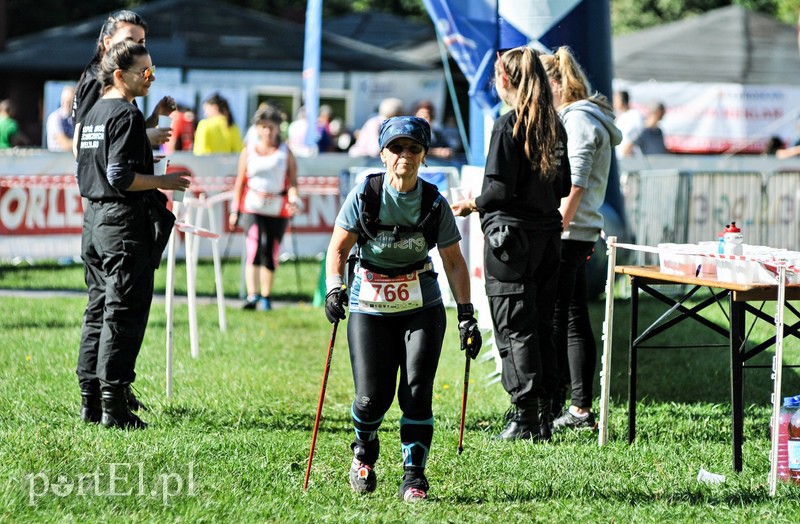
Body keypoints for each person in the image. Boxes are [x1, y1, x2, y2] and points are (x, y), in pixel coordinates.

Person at [324, 116, 480, 501]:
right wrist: (334, 289)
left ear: (425, 155)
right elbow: (339, 250)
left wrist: (466, 315)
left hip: (420, 304)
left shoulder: (434, 201)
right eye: (396, 148)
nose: (404, 156)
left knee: (416, 392)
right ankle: (364, 450)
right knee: (370, 398)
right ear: (382, 153)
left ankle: (414, 476)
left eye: (413, 148)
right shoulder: (365, 195)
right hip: (369, 304)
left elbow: (455, 262)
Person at [452, 46, 571, 441]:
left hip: (510, 241)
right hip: (548, 237)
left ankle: (524, 416)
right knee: (540, 323)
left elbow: (498, 189)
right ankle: (545, 414)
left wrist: (473, 202)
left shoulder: (509, 126)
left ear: (504, 80)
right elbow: (564, 186)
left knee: (513, 326)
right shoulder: (555, 125)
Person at [75, 41, 191, 429]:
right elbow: (120, 176)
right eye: (146, 72)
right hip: (122, 225)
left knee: (97, 311)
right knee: (122, 314)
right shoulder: (123, 113)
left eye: (153, 72)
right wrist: (165, 181)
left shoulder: (95, 112)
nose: (151, 78)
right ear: (121, 75)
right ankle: (114, 408)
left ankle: (90, 402)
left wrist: (152, 119)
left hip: (94, 223)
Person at [540, 47, 622, 432]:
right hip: (578, 229)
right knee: (572, 317)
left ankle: (567, 406)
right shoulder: (584, 117)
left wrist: (557, 225)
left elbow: (577, 182)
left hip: (570, 231)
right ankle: (576, 408)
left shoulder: (579, 121)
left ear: (556, 84)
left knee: (562, 319)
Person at [71, 10, 174, 157]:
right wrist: (145, 139)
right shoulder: (97, 80)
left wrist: (154, 118)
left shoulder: (122, 80)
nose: (136, 48)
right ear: (108, 42)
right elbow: (82, 146)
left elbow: (123, 134)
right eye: (129, 41)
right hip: (103, 179)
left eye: (141, 42)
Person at [228, 105, 299, 311]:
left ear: (278, 128)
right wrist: (235, 210)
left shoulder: (286, 152)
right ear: (257, 128)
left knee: (272, 250)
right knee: (254, 246)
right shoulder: (248, 149)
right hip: (252, 205)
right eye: (263, 127)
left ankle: (266, 296)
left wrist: (293, 199)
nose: (267, 131)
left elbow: (293, 182)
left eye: (271, 127)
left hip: (277, 206)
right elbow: (240, 181)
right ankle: (252, 295)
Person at [613, 90, 644, 158]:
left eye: (616, 99)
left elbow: (633, 136)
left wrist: (625, 153)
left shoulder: (633, 115)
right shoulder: (619, 116)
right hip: (620, 157)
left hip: (630, 158)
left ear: (621, 100)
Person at [46, 85, 76, 152]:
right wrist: (82, 144)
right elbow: (65, 144)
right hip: (57, 160)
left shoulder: (75, 118)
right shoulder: (54, 118)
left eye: (69, 102)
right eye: (64, 101)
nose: (66, 104)